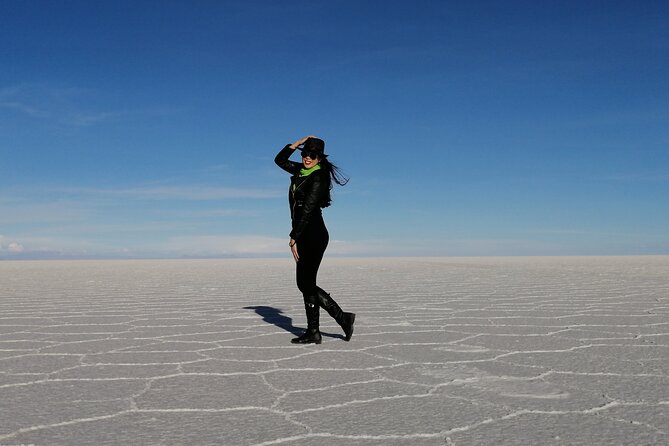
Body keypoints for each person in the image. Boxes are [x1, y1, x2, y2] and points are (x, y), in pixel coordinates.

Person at [274, 136, 355, 344]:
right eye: (305, 154)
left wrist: (294, 236)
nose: (307, 158)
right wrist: (294, 144)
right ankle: (316, 330)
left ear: (319, 158)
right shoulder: (300, 171)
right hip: (304, 232)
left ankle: (341, 319)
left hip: (314, 234)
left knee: (305, 283)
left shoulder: (318, 177)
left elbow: (308, 210)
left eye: (312, 155)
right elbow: (279, 160)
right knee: (305, 283)